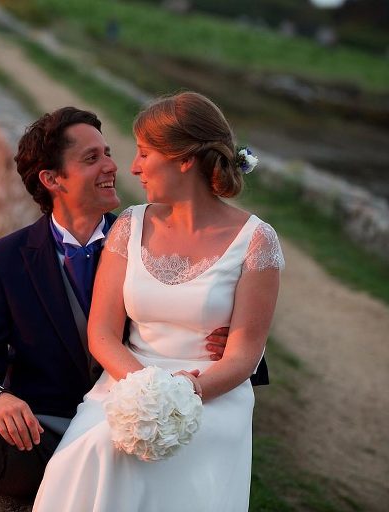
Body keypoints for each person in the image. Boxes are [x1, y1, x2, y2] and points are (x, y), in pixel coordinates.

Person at [0, 106, 247, 512]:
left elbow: (198, 311)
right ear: (52, 179)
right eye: (92, 158)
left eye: (109, 152)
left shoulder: (149, 241)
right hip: (40, 435)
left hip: (124, 432)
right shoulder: (3, 261)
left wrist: (234, 339)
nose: (114, 166)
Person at [32, 91, 284, 511]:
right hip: (126, 382)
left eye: (145, 153)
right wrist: (144, 388)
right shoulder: (129, 224)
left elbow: (244, 355)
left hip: (213, 395)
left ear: (184, 159)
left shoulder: (256, 241)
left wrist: (190, 389)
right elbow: (102, 333)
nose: (133, 167)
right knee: (90, 452)